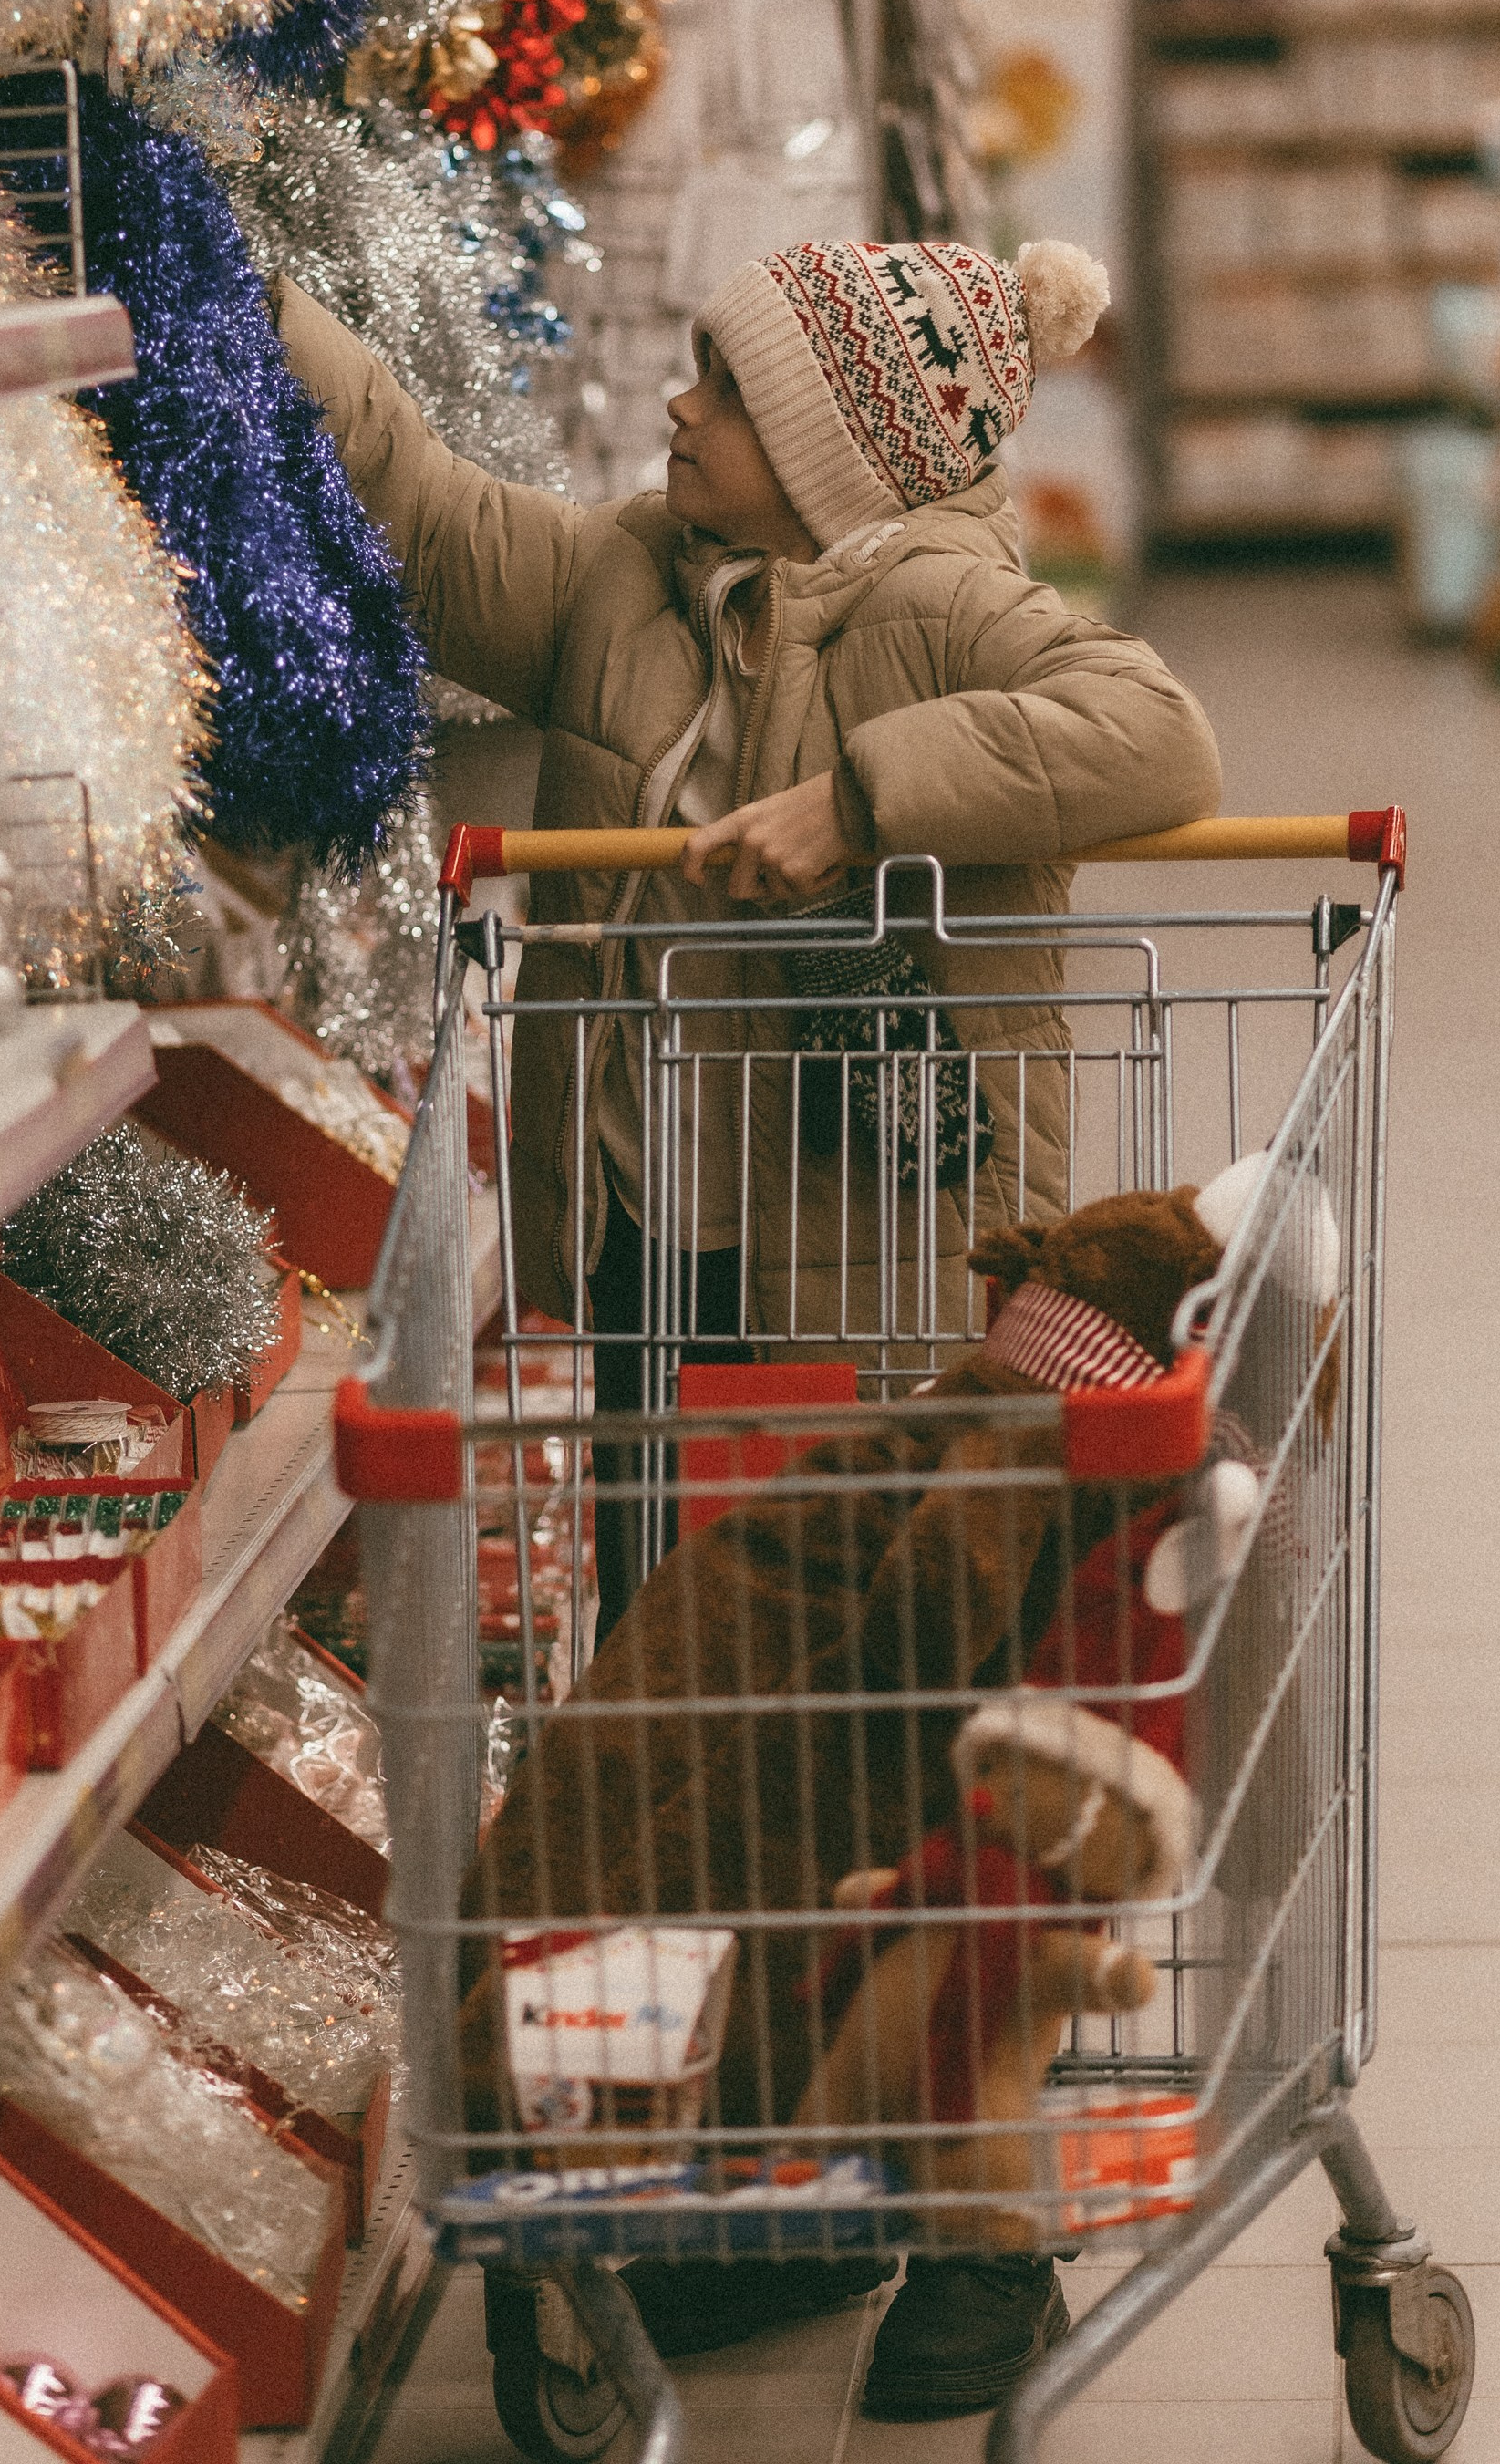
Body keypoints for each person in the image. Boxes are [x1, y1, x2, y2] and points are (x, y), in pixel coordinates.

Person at [282, 231, 1221, 2419]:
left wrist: (864, 798)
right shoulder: (623, 574)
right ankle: (762, 2185)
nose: (675, 416)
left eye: (717, 390)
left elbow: (1155, 728)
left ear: (817, 451)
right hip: (657, 1280)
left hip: (892, 1284)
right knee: (712, 1746)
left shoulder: (934, 602)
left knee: (915, 1738)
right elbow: (420, 516)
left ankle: (988, 2237)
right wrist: (236, 279)